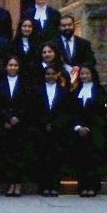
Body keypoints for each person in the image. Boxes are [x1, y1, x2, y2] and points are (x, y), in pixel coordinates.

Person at [0, 56, 30, 197]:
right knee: (7, 155)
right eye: (10, 65)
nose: (13, 67)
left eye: (15, 65)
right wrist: (7, 118)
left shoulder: (25, 83)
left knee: (19, 155)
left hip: (20, 124)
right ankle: (9, 184)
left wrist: (16, 117)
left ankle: (17, 184)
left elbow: (27, 103)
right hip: (5, 124)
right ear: (6, 67)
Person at [33, 64, 74, 197]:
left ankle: (54, 186)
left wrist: (56, 124)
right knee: (43, 159)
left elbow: (67, 112)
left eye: (52, 74)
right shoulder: (38, 91)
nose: (50, 76)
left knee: (56, 159)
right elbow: (35, 110)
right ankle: (44, 186)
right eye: (47, 74)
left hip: (58, 130)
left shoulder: (64, 92)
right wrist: (45, 123)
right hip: (42, 130)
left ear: (57, 75)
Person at [72, 65, 107, 197]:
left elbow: (100, 112)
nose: (84, 76)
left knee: (94, 160)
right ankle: (82, 186)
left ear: (92, 75)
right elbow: (72, 112)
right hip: (79, 133)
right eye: (82, 74)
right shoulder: (76, 91)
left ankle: (93, 186)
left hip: (95, 132)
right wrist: (78, 127)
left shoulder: (99, 91)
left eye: (87, 74)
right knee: (81, 160)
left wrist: (88, 127)